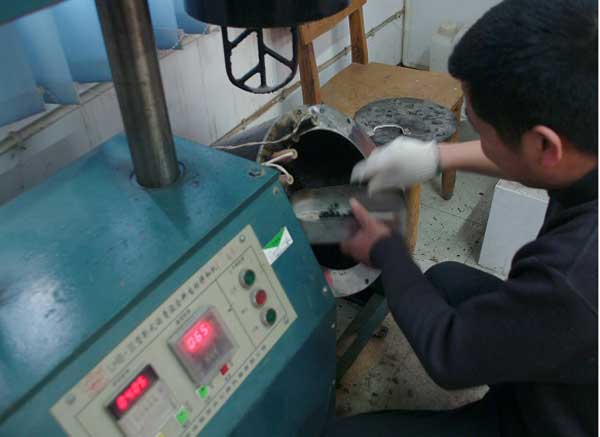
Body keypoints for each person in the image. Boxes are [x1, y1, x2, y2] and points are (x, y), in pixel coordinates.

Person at [328, 0, 598, 436]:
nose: (477, 140)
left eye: (481, 131)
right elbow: (528, 156)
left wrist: (386, 250)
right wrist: (435, 157)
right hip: (575, 359)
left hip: (556, 419)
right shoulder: (586, 131)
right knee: (445, 281)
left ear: (544, 146)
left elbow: (449, 357)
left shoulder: (572, 274)